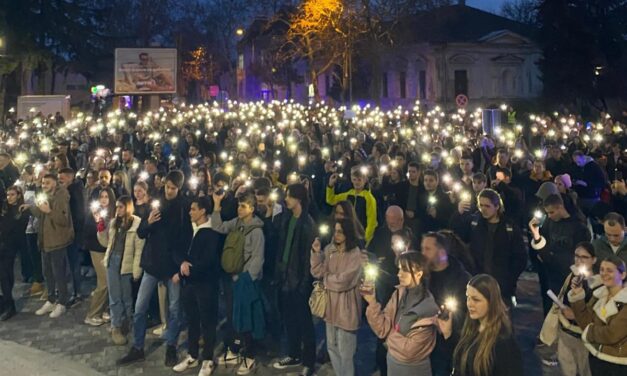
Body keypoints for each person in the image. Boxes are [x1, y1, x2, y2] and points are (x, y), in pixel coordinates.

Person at [117, 170, 192, 368]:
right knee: (140, 308)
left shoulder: (183, 208)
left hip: (172, 267)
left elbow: (185, 240)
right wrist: (148, 222)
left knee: (174, 309)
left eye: (173, 188)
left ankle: (171, 346)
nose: (169, 191)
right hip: (152, 264)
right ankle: (138, 347)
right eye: (167, 187)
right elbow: (141, 233)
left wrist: (180, 267)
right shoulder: (155, 204)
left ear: (179, 188)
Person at [212, 190, 265, 375]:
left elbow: (257, 259)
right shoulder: (236, 223)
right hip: (232, 278)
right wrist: (217, 206)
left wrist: (245, 278)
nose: (239, 209)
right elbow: (218, 227)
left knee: (247, 318)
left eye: (243, 206)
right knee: (233, 315)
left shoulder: (257, 231)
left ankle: (249, 355)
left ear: (252, 208)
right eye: (238, 206)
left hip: (245, 281)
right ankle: (234, 349)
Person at [363, 251, 439, 375]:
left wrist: (388, 336)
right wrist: (372, 302)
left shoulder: (428, 309)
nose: (399, 274)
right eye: (399, 269)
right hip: (393, 365)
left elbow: (409, 351)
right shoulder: (399, 294)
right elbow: (381, 328)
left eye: (405, 270)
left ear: (419, 273)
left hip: (414, 370)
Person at [172, 197, 223, 375]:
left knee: (208, 321)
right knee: (192, 320)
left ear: (202, 211)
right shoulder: (189, 229)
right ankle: (193, 355)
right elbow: (177, 250)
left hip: (205, 284)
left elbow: (208, 261)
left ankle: (208, 359)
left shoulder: (212, 232)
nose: (190, 212)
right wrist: (182, 264)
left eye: (193, 209)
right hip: (189, 284)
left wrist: (186, 270)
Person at [451, 189, 527, 305]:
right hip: (477, 281)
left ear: (497, 207)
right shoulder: (474, 223)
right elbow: (457, 237)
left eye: (487, 206)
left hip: (502, 286)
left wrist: (510, 280)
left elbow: (520, 257)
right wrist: (458, 214)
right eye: (481, 205)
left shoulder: (509, 227)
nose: (483, 209)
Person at [438, 274, 524, 376]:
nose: (469, 304)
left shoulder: (503, 342)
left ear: (491, 302)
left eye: (476, 300)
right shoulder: (470, 328)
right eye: (468, 298)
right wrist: (448, 335)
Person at [273, 184, 316, 376]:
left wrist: (304, 283)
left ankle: (309, 360)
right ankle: (293, 353)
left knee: (305, 322)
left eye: (289, 196)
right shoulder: (287, 218)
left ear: (298, 199)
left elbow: (307, 257)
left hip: (298, 280)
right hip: (284, 277)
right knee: (289, 318)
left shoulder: (307, 223)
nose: (286, 199)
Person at [310, 218, 363, 376]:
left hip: (347, 308)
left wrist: (327, 279)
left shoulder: (355, 254)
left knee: (346, 352)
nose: (337, 234)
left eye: (340, 231)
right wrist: (317, 253)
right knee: (332, 347)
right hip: (330, 308)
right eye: (335, 231)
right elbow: (317, 272)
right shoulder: (329, 250)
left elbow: (344, 281)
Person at [544, 242, 600, 376]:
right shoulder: (571, 277)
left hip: (585, 339)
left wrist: (575, 315)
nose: (579, 260)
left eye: (584, 257)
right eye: (576, 256)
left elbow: (597, 314)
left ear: (594, 260)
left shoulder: (598, 284)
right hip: (566, 333)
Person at [420, 232, 471, 376]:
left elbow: (465, 317)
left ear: (441, 252)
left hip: (447, 346)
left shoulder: (461, 279)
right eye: (422, 248)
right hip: (424, 345)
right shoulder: (422, 276)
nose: (423, 253)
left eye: (428, 249)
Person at [530, 193, 591, 312]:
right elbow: (542, 243)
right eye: (547, 213)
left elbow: (582, 254)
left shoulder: (579, 227)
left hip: (570, 277)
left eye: (551, 212)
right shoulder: (549, 222)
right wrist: (536, 234)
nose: (549, 216)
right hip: (551, 275)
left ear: (560, 207)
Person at [97, 196, 145, 345]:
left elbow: (139, 249)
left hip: (126, 262)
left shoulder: (136, 224)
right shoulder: (113, 223)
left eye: (121, 207)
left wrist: (137, 270)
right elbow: (106, 243)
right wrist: (100, 228)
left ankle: (128, 321)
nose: (118, 210)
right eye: (117, 207)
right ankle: (116, 326)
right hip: (113, 260)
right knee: (115, 296)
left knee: (126, 295)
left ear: (128, 207)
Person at [568, 256, 627, 375]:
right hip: (596, 357)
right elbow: (585, 321)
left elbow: (612, 334)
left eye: (610, 270)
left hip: (617, 363)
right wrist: (577, 295)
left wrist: (589, 332)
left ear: (622, 275)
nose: (604, 274)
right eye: (602, 270)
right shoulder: (599, 295)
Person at [29, 174, 75, 319]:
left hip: (57, 240)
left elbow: (63, 220)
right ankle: (51, 299)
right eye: (43, 183)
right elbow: (39, 215)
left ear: (55, 184)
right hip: (45, 241)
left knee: (59, 273)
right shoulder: (45, 195)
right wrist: (35, 207)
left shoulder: (61, 197)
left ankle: (62, 302)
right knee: (47, 272)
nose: (44, 185)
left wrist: (49, 211)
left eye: (47, 183)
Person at [83, 189, 115, 326]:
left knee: (110, 282)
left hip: (110, 249)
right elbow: (88, 231)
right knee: (103, 282)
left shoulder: (113, 212)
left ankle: (104, 310)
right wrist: (97, 223)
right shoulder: (93, 213)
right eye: (101, 196)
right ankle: (92, 313)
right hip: (97, 250)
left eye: (106, 196)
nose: (103, 199)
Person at [327, 165, 378, 244]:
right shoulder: (348, 194)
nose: (356, 182)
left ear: (365, 180)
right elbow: (331, 200)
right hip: (348, 233)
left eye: (359, 180)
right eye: (354, 179)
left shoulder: (369, 198)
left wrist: (366, 240)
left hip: (360, 235)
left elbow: (371, 222)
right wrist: (330, 186)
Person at [0, 186, 29, 320]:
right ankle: (5, 303)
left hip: (10, 247)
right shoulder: (4, 209)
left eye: (12, 195)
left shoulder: (21, 210)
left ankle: (9, 306)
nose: (9, 197)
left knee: (6, 276)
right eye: (8, 195)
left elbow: (17, 228)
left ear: (18, 195)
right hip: (2, 245)